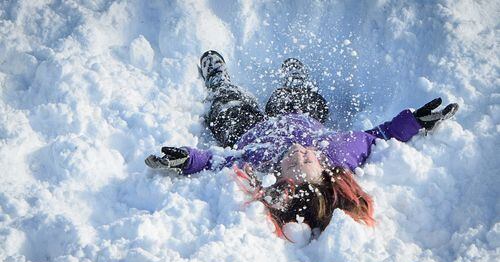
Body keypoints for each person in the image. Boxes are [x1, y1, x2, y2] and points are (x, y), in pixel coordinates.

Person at [145, 50, 459, 240]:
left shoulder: (257, 164)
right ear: (323, 167)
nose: (298, 155)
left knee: (227, 110)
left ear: (277, 175)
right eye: (305, 162)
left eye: (292, 165)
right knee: (300, 100)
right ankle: (296, 79)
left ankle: (220, 83)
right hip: (297, 115)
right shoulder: (338, 152)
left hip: (248, 131)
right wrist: (415, 121)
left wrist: (186, 159)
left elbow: (217, 161)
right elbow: (379, 136)